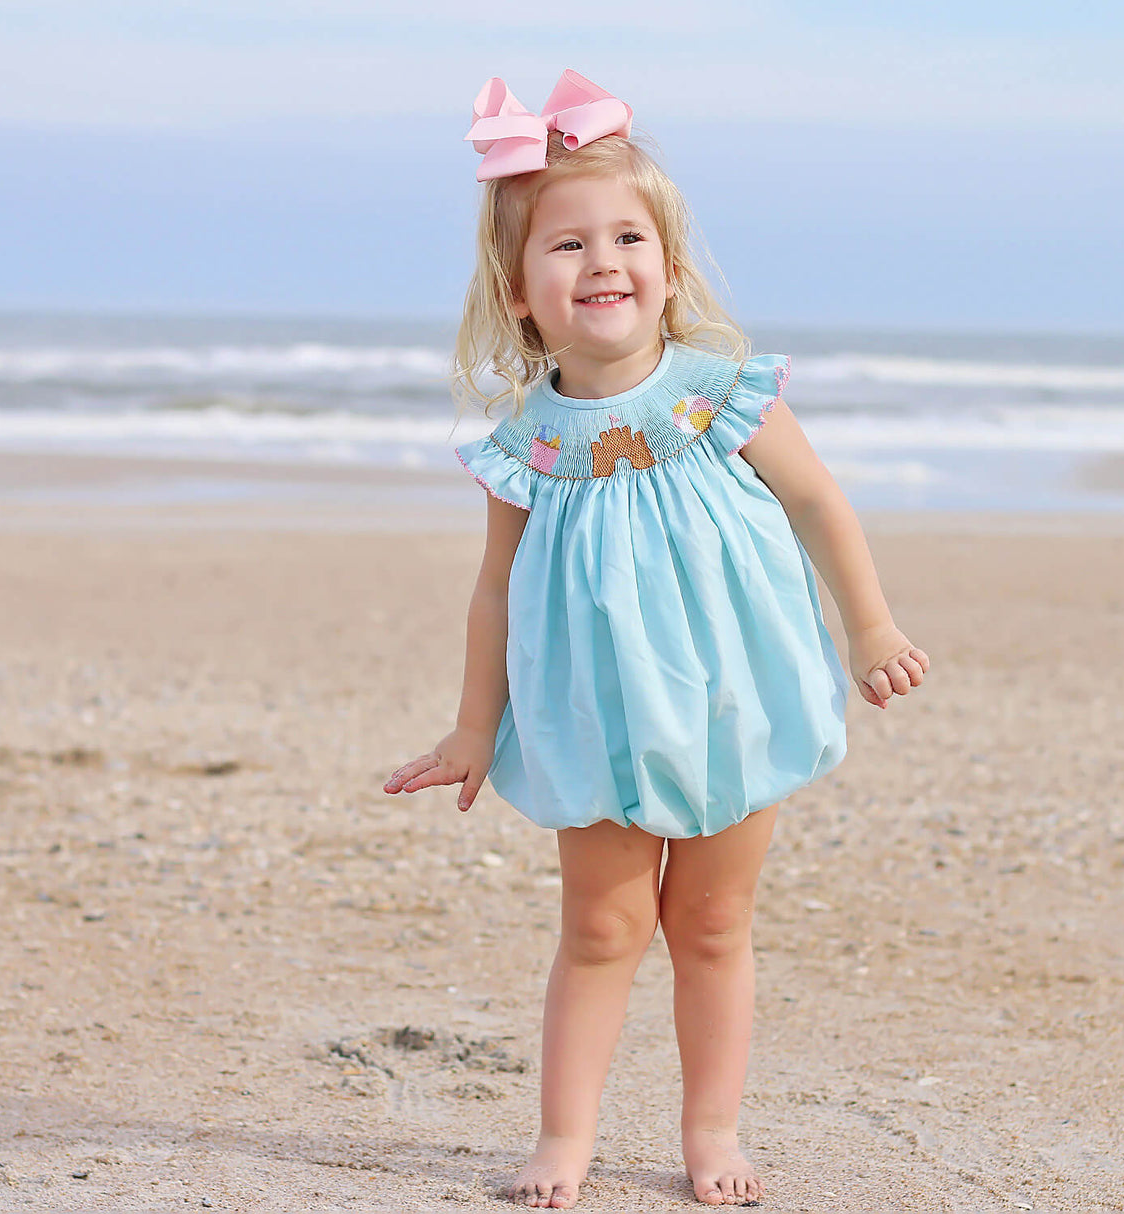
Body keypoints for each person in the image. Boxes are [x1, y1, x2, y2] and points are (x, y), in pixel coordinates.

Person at [384, 69, 929, 1210]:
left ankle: (709, 1126)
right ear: (518, 287)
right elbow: (494, 589)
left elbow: (821, 505)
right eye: (566, 244)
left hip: (731, 691)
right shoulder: (525, 441)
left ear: (667, 268)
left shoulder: (720, 393)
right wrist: (472, 726)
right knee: (599, 924)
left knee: (714, 919)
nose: (601, 261)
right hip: (596, 709)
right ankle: (564, 1136)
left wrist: (867, 627)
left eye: (625, 236)